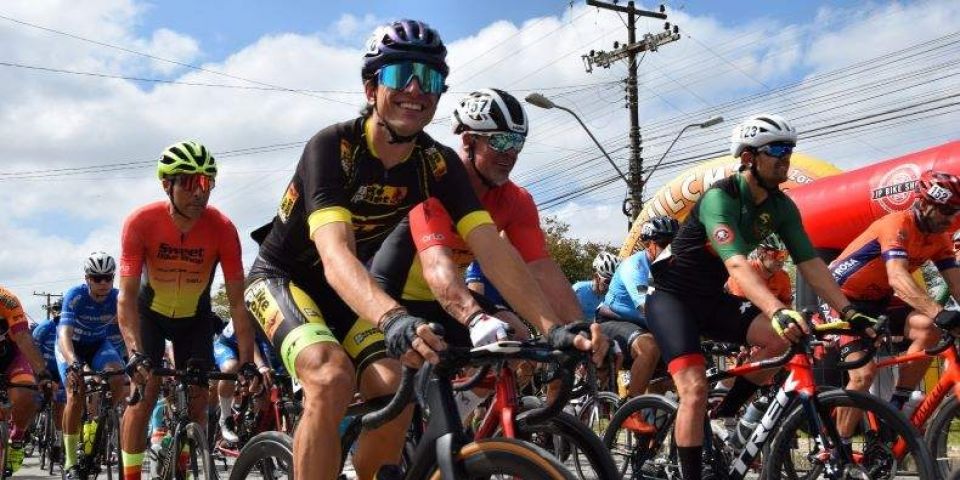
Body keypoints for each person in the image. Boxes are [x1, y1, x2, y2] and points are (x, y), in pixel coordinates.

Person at [245, 26, 602, 480]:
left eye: (430, 79)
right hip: (285, 279)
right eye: (402, 73)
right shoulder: (333, 147)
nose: (415, 89)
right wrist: (394, 318)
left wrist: (552, 328)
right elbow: (336, 258)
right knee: (330, 375)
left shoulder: (436, 163)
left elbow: (490, 249)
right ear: (371, 87)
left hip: (350, 293)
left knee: (400, 383)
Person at [643, 114, 878, 480]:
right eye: (777, 150)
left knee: (777, 340)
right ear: (749, 158)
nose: (786, 158)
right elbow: (737, 265)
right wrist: (778, 309)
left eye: (790, 150)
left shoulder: (781, 207)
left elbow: (811, 263)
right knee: (694, 387)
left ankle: (725, 415)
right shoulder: (719, 197)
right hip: (671, 298)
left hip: (710, 299)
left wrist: (849, 310)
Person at [118, 141, 257, 480]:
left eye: (207, 183)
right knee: (145, 394)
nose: (200, 192)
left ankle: (179, 465)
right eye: (190, 183)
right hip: (149, 315)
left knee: (198, 401)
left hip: (195, 317)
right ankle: (132, 475)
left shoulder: (222, 228)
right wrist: (135, 354)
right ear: (167, 184)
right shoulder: (141, 222)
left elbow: (239, 303)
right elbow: (125, 298)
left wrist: (248, 361)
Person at [830, 171, 960, 439]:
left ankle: (896, 409)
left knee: (928, 329)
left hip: (879, 301)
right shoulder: (896, 223)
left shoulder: (940, 238)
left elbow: (958, 285)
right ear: (924, 203)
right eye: (946, 211)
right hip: (841, 299)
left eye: (956, 211)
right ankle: (836, 451)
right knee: (862, 376)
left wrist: (942, 317)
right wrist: (939, 311)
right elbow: (898, 278)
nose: (951, 219)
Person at [56, 252, 127, 479]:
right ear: (87, 278)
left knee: (117, 378)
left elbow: (130, 328)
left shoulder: (117, 297)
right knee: (75, 393)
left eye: (108, 277)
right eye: (97, 278)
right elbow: (64, 334)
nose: (104, 282)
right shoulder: (75, 296)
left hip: (97, 344)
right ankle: (70, 461)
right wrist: (73, 363)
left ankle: (97, 425)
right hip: (71, 346)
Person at [597, 215, 678, 398]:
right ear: (648, 244)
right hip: (613, 320)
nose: (670, 248)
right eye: (664, 243)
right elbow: (646, 308)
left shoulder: (671, 266)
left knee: (666, 375)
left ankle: (655, 416)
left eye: (674, 242)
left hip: (644, 325)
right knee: (649, 347)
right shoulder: (635, 266)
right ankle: (631, 409)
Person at [0, 285, 53, 474]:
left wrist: (43, 374)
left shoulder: (6, 299)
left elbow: (23, 337)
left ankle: (17, 438)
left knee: (27, 391)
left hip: (12, 355)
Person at [212, 318, 275, 443]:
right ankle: (225, 418)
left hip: (256, 348)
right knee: (230, 368)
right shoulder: (249, 307)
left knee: (268, 384)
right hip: (229, 345)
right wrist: (261, 366)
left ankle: (257, 431)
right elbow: (250, 342)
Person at [725, 234, 793, 305]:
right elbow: (739, 307)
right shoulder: (743, 273)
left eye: (785, 255)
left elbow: (787, 303)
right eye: (778, 254)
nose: (781, 260)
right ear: (762, 253)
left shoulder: (783, 277)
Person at [572, 252, 619, 321]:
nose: (611, 286)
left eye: (614, 282)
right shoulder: (578, 290)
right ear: (596, 277)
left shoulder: (612, 295)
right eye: (608, 281)